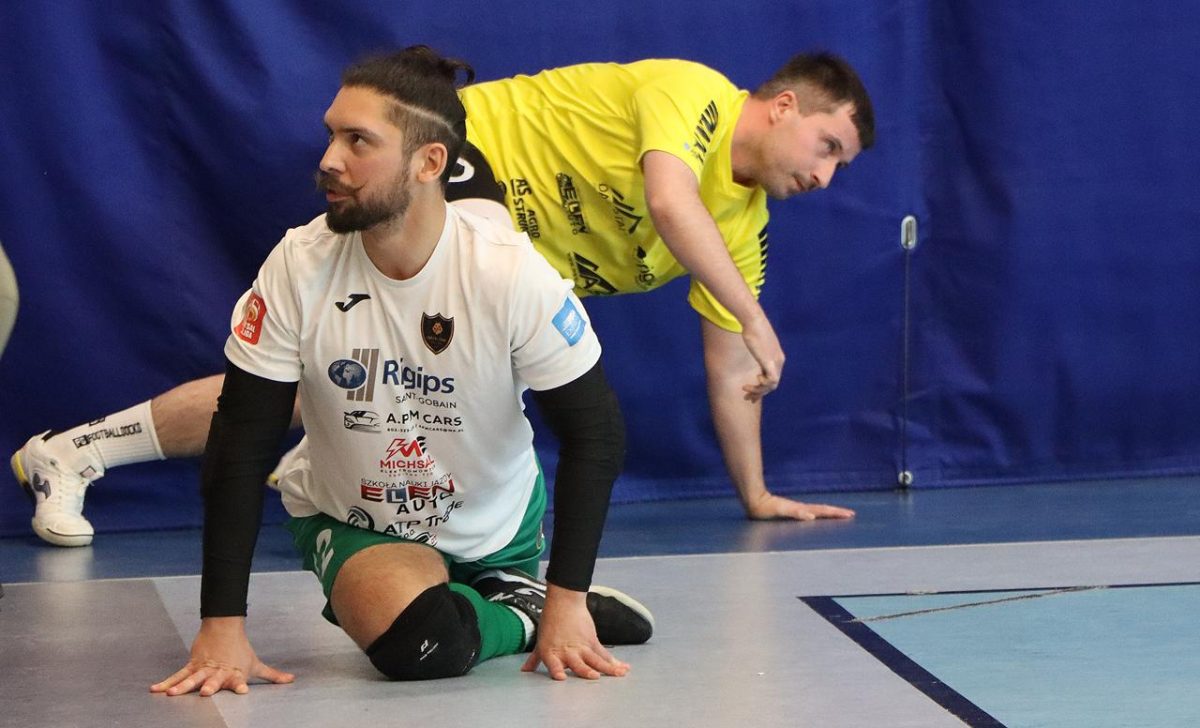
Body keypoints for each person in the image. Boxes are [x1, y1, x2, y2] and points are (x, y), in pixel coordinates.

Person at [13, 50, 874, 547]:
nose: (826, 175)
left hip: (492, 268)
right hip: (455, 157)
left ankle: (75, 452)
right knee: (409, 369)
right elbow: (669, 201)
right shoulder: (696, 96)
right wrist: (757, 316)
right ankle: (324, 474)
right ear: (782, 106)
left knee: (333, 381)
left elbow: (734, 372)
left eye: (842, 165)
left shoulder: (744, 230)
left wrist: (756, 493)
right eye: (828, 145)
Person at [150, 47, 651, 695]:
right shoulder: (299, 265)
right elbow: (242, 439)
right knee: (419, 648)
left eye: (358, 140)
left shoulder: (510, 273)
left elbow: (596, 434)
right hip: (356, 519)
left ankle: (522, 592)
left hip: (497, 523)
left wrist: (569, 598)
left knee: (448, 628)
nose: (330, 159)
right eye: (331, 135)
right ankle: (518, 616)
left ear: (429, 162)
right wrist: (222, 625)